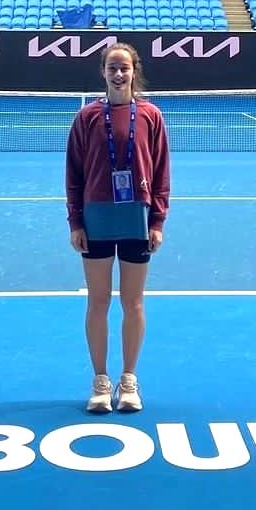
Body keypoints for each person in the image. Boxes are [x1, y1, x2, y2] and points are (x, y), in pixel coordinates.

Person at [65, 42, 170, 414]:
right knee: (98, 301)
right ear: (103, 72)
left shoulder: (152, 116)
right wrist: (75, 220)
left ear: (133, 70)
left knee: (133, 302)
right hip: (95, 217)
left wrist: (157, 221)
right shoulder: (87, 117)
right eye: (112, 67)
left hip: (135, 219)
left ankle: (128, 380)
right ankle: (99, 381)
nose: (118, 73)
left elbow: (161, 173)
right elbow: (73, 175)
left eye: (124, 67)